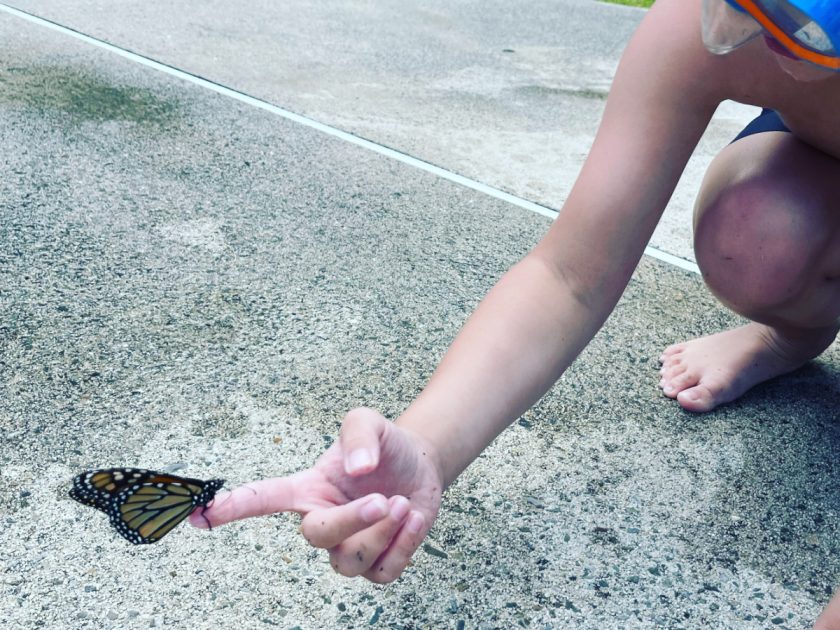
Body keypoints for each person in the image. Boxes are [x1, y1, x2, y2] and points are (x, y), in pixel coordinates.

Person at [191, 0, 840, 625]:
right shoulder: (699, 22)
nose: (777, 44)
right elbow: (569, 275)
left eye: (804, 29)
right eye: (752, 14)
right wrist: (427, 443)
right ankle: (791, 332)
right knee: (759, 236)